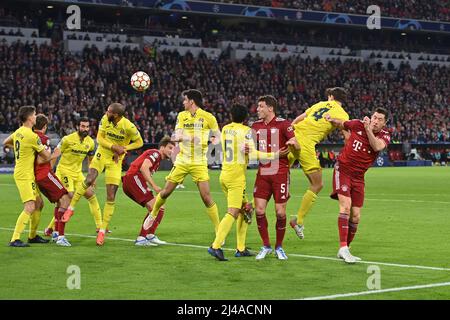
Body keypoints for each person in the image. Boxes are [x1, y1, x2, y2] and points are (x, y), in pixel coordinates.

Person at [208, 104, 289, 261]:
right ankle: (216, 246)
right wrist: (275, 154)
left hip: (224, 174)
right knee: (233, 211)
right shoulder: (246, 131)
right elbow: (253, 152)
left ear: (231, 116)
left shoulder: (225, 128)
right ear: (245, 118)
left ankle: (241, 248)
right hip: (236, 178)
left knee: (246, 210)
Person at [62, 103, 143, 246]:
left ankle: (102, 231)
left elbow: (139, 142)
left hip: (115, 161)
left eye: (109, 111)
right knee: (89, 179)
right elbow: (100, 138)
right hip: (102, 153)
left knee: (111, 195)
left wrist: (124, 148)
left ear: (116, 115)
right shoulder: (105, 119)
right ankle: (71, 208)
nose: (106, 112)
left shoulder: (128, 126)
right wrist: (114, 147)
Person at [143, 89, 221, 238]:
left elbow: (218, 137)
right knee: (165, 192)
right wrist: (188, 137)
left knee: (206, 197)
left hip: (199, 161)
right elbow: (177, 135)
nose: (183, 102)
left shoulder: (208, 117)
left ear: (192, 101)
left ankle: (218, 230)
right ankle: (152, 214)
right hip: (183, 160)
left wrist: (208, 141)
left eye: (185, 100)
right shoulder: (182, 116)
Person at [325, 108, 391, 263]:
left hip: (359, 177)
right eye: (374, 117)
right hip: (343, 169)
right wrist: (330, 119)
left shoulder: (384, 135)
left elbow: (376, 147)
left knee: (356, 216)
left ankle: (345, 248)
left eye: (380, 119)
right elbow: (341, 123)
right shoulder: (357, 124)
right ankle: (343, 247)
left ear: (384, 122)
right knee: (346, 207)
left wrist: (368, 129)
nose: (375, 121)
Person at [287, 87, 349, 239]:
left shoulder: (319, 104)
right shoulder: (342, 113)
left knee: (275, 176)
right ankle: (298, 221)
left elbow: (299, 118)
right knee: (317, 184)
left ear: (331, 96)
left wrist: (290, 132)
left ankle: (250, 206)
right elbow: (347, 134)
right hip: (305, 143)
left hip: (292, 136)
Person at [251, 95, 298, 260]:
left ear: (270, 108)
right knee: (259, 210)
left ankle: (279, 247)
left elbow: (295, 142)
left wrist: (295, 144)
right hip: (263, 173)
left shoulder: (284, 124)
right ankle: (266, 246)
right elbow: (248, 144)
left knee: (280, 213)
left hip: (280, 173)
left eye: (261, 106)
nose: (257, 109)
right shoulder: (255, 126)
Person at [43, 117, 102, 242]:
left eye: (87, 126)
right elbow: (56, 154)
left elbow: (91, 159)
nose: (85, 129)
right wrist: (49, 172)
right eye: (82, 126)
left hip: (77, 173)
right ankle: (55, 231)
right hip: (64, 171)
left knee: (91, 194)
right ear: (77, 127)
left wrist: (93, 177)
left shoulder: (90, 142)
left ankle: (100, 227)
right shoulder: (67, 139)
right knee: (67, 200)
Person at [2, 106, 51, 247]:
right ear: (30, 118)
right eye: (34, 115)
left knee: (39, 203)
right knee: (30, 206)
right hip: (24, 174)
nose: (36, 117)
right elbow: (46, 156)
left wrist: (21, 148)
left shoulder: (19, 132)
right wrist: (56, 153)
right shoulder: (31, 136)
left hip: (25, 173)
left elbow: (6, 142)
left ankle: (32, 236)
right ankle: (14, 239)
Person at [121, 136, 175, 246]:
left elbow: (144, 172)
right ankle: (141, 238)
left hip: (133, 180)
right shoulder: (155, 153)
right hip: (132, 179)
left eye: (173, 149)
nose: (172, 151)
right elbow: (144, 168)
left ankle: (150, 235)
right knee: (155, 206)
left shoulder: (158, 160)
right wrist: (154, 186)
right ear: (162, 147)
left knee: (159, 207)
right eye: (170, 148)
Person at [33, 114, 73, 246]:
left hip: (38, 176)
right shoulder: (43, 138)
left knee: (60, 201)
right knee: (66, 198)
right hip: (44, 174)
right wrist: (54, 154)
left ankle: (56, 232)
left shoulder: (30, 136)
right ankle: (60, 237)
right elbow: (41, 160)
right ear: (45, 126)